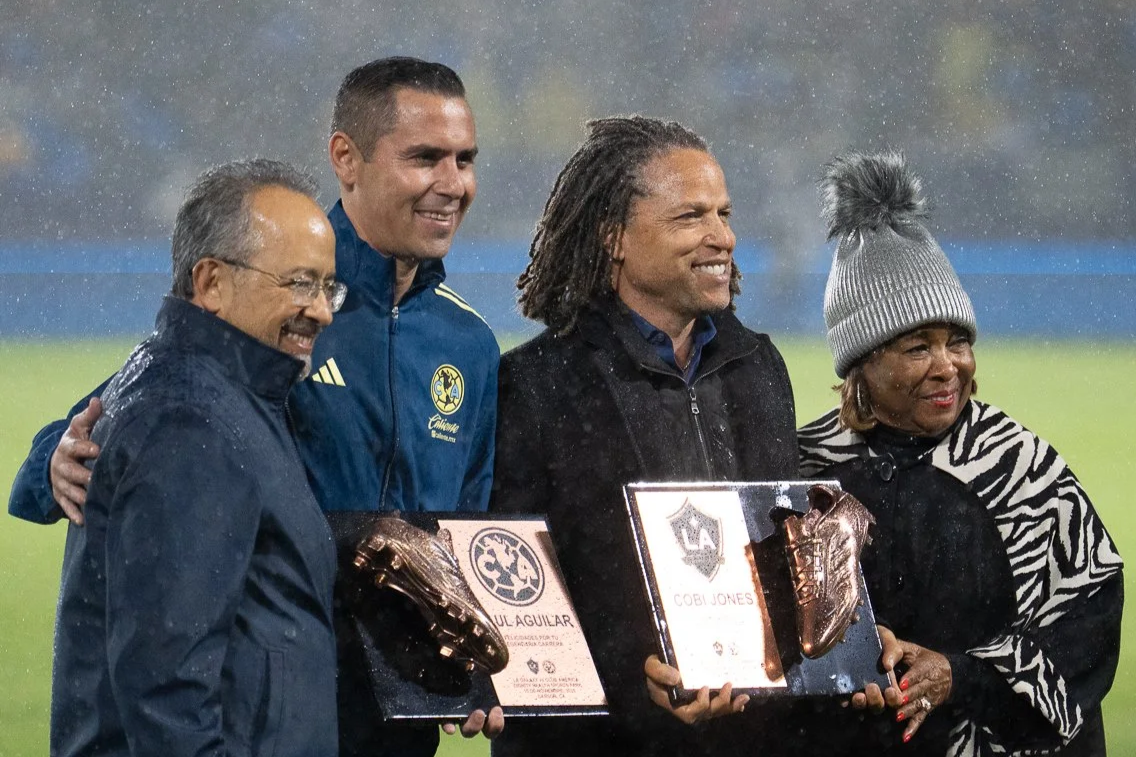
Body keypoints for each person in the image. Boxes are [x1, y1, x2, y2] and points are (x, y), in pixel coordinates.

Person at [9, 57, 503, 756]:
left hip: (398, 710)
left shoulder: (469, 344)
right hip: (268, 695)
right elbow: (153, 398)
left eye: (465, 159)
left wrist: (481, 657)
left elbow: (465, 530)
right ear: (346, 159)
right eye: (425, 158)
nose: (452, 184)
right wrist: (54, 455)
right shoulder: (275, 290)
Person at [488, 115, 808, 756]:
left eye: (723, 213)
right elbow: (518, 589)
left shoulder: (760, 367)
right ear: (615, 239)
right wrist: (636, 680)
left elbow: (786, 547)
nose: (722, 236)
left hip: (750, 736)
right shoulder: (537, 382)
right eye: (691, 217)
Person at [794, 150, 1124, 754]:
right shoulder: (805, 470)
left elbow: (1088, 626)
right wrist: (853, 648)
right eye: (917, 347)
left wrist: (959, 676)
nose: (947, 367)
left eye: (958, 342)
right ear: (862, 365)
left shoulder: (1024, 472)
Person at [51, 159, 341, 757]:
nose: (322, 310)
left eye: (327, 286)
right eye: (300, 283)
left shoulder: (226, 394)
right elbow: (167, 693)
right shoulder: (193, 422)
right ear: (210, 283)